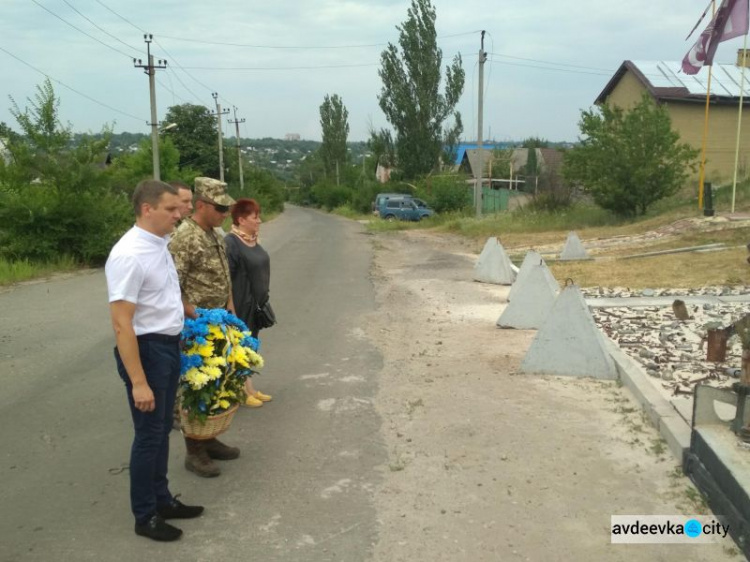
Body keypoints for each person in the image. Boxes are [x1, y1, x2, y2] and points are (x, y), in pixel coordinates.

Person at [105, 179, 203, 542]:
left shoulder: (158, 243)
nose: (179, 215)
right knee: (149, 436)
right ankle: (144, 515)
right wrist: (139, 381)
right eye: (171, 210)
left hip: (167, 345)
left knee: (162, 430)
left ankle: (163, 500)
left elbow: (163, 293)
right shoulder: (129, 254)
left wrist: (188, 314)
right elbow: (121, 323)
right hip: (147, 352)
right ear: (148, 209)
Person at [169, 177, 239, 478]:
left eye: (227, 208)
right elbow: (172, 284)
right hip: (196, 324)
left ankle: (209, 439)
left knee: (215, 383)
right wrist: (194, 315)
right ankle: (194, 450)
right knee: (196, 385)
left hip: (218, 319)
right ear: (201, 205)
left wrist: (230, 308)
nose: (225, 213)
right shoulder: (186, 236)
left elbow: (222, 275)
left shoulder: (214, 232)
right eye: (220, 208)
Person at [224, 198, 273, 408]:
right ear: (241, 219)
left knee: (250, 345)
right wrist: (231, 309)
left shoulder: (252, 239)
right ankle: (241, 391)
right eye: (255, 217)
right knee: (239, 347)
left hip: (256, 305)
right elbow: (227, 280)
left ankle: (249, 387)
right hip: (241, 304)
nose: (259, 221)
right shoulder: (231, 243)